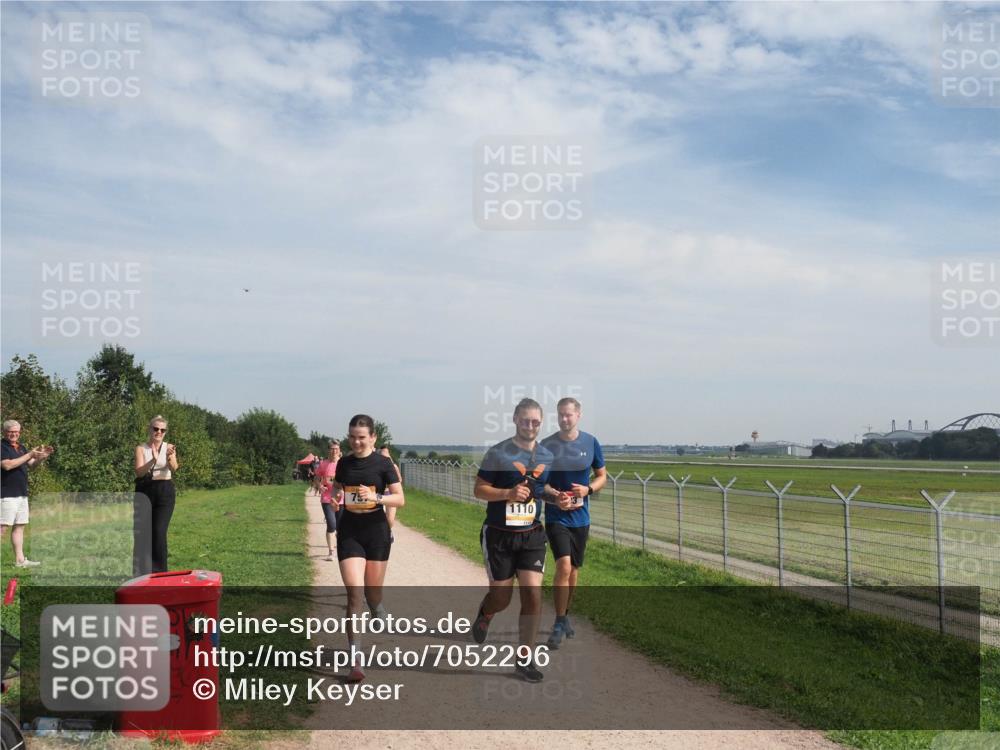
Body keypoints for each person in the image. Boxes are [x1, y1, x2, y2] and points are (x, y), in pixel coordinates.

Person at [471, 398, 560, 683]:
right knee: (502, 598)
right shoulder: (498, 453)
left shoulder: (546, 455)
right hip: (499, 535)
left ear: (541, 423)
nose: (530, 426)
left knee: (533, 594)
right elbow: (479, 489)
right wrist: (507, 494)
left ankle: (524, 659)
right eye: (525, 420)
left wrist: (555, 496)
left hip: (532, 534)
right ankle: (486, 612)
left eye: (535, 422)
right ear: (515, 419)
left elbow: (540, 487)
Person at [332, 415, 404, 682]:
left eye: (362, 436)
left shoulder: (383, 464)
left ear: (373, 437)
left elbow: (400, 498)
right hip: (350, 531)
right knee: (354, 594)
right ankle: (355, 660)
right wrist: (337, 498)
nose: (356, 441)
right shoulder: (344, 463)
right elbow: (339, 489)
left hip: (376, 533)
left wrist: (376, 497)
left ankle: (377, 607)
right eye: (352, 436)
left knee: (372, 594)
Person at [541, 397, 607, 649]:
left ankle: (565, 615)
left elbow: (602, 475)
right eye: (560, 415)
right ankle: (558, 622)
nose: (564, 419)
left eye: (568, 415)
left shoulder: (591, 442)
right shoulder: (547, 446)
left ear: (578, 415)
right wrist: (556, 497)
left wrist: (588, 489)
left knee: (574, 571)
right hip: (557, 516)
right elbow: (540, 483)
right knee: (564, 566)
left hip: (581, 518)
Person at [1, 419, 53, 567]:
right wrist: (30, 453)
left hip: (21, 494)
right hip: (6, 494)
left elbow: (32, 465)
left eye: (17, 431)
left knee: (19, 526)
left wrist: (42, 457)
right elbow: (7, 465)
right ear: (5, 432)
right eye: (11, 431)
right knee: (2, 528)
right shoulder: (2, 447)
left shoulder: (20, 447)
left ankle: (20, 560)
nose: (14, 434)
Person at [133, 415, 179, 575]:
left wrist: (168, 457)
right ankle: (140, 573)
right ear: (149, 429)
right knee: (142, 533)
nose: (159, 432)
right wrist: (152, 460)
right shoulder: (141, 448)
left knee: (158, 531)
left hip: (165, 491)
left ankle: (159, 573)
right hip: (144, 491)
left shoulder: (169, 447)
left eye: (162, 430)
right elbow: (139, 472)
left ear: (165, 432)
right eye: (155, 428)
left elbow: (175, 468)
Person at [314, 442, 343, 561]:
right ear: (328, 450)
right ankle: (331, 552)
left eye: (336, 449)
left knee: (341, 526)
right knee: (332, 524)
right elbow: (316, 478)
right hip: (327, 498)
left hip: (342, 499)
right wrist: (319, 486)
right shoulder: (323, 464)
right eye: (332, 449)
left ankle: (340, 548)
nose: (334, 451)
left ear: (339, 450)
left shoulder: (344, 463)